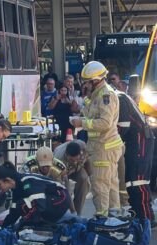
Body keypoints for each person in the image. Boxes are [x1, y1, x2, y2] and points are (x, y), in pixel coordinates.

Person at [71, 61, 123, 216]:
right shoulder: (96, 95)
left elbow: (105, 123)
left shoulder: (105, 95)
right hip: (102, 147)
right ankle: (114, 219)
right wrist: (86, 98)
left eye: (86, 82)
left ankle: (102, 219)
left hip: (103, 148)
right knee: (111, 185)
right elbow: (91, 113)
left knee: (99, 185)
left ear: (95, 81)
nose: (84, 85)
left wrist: (82, 123)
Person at [117, 91, 156, 227]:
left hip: (141, 141)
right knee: (131, 180)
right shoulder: (119, 97)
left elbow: (123, 126)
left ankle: (147, 218)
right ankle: (138, 215)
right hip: (135, 141)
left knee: (138, 181)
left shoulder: (118, 99)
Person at [0, 162, 71, 227]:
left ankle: (42, 227)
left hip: (61, 198)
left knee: (24, 204)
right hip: (50, 200)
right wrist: (3, 227)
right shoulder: (16, 188)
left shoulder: (27, 182)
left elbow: (40, 206)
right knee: (19, 205)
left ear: (8, 180)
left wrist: (24, 223)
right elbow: (14, 212)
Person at [54, 140, 91, 215]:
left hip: (77, 169)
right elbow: (65, 185)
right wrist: (72, 210)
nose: (74, 162)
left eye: (76, 159)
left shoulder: (83, 148)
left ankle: (78, 214)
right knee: (63, 192)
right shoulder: (59, 159)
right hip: (62, 172)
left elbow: (88, 161)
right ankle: (64, 214)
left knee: (83, 178)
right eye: (71, 160)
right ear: (67, 155)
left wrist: (91, 176)